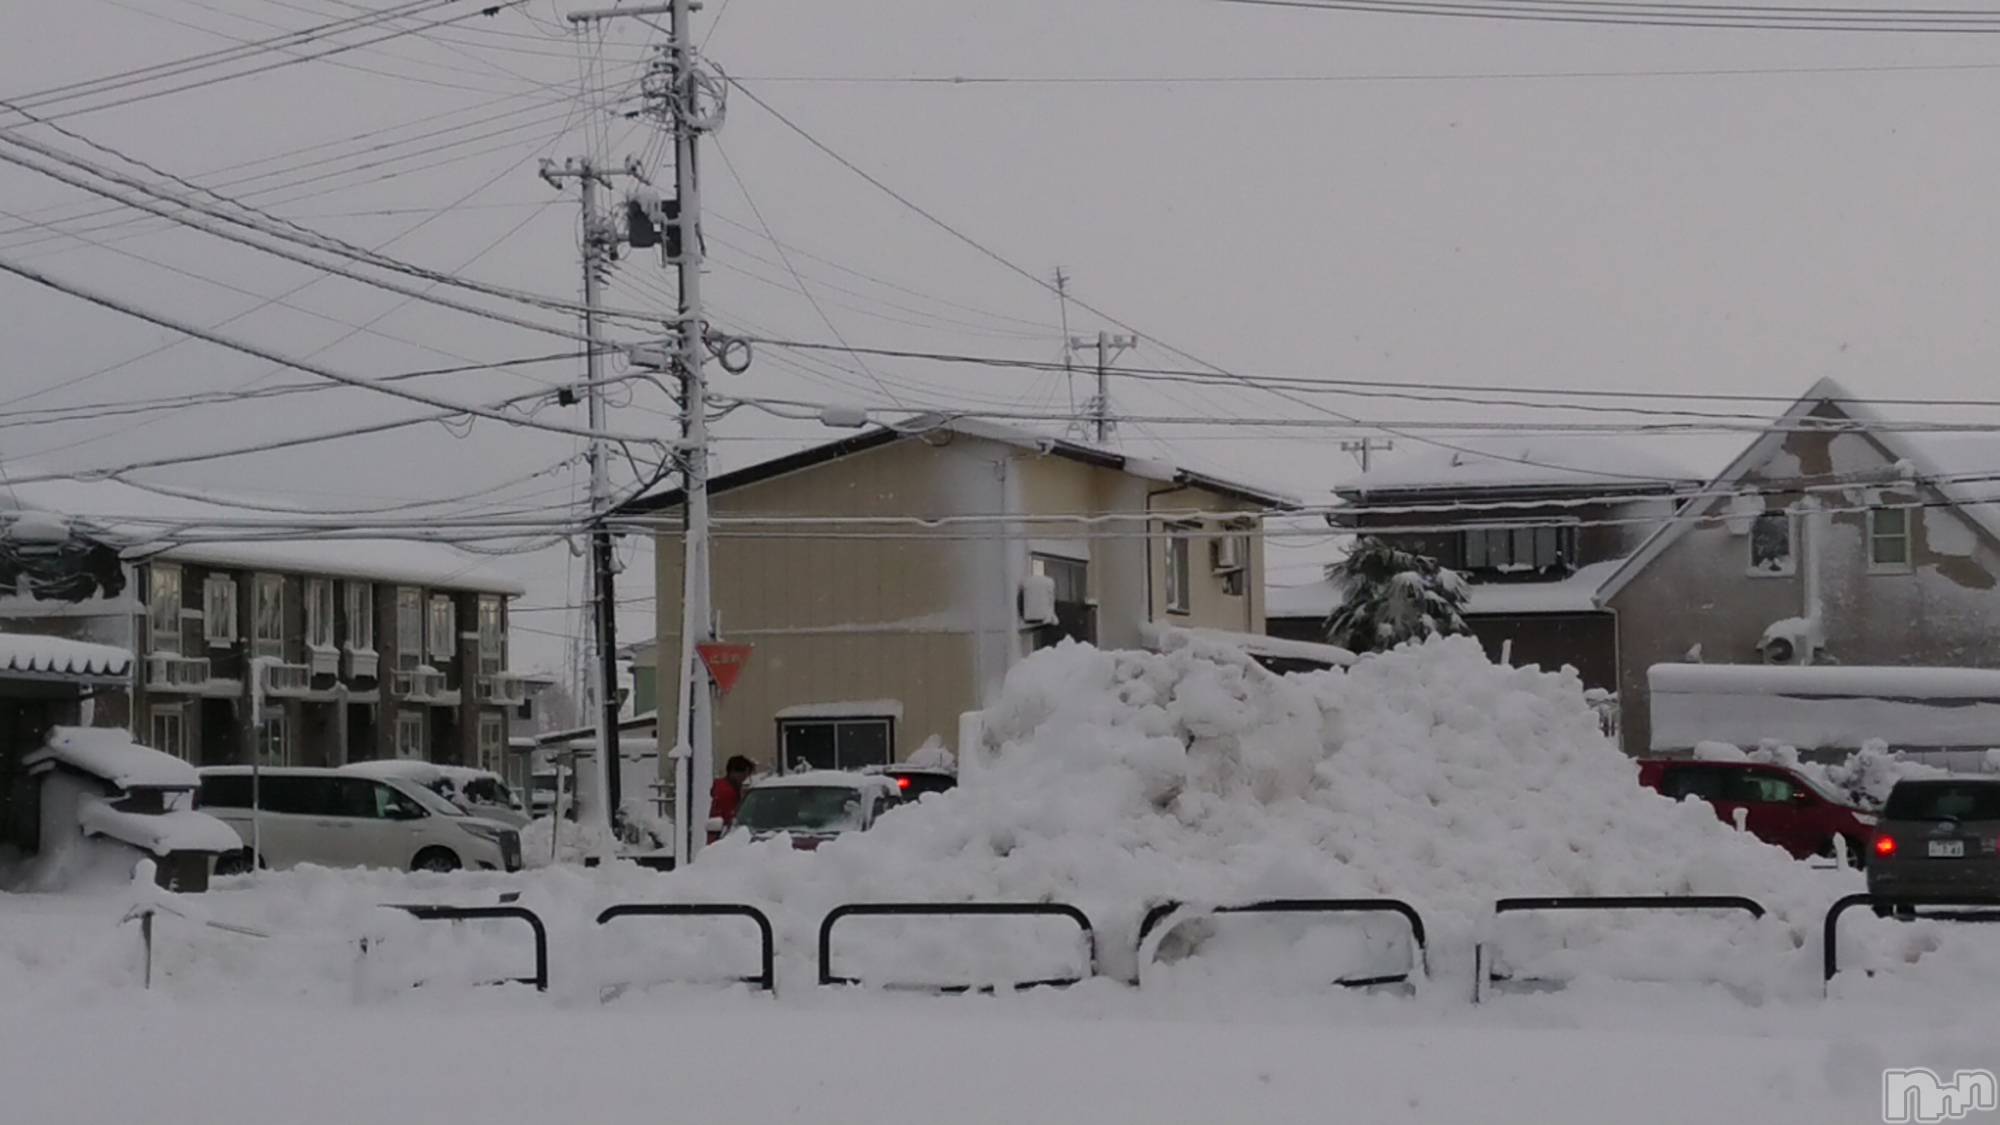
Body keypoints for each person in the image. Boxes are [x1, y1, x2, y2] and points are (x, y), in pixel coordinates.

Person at [709, 755, 756, 831]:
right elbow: (733, 819)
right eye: (744, 775)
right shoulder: (727, 793)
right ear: (733, 772)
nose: (745, 779)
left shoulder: (724, 788)